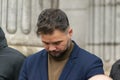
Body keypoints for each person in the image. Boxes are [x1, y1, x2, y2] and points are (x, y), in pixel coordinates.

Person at [18, 8, 106, 80]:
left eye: (57, 43)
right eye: (46, 43)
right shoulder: (30, 63)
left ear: (70, 33)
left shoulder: (90, 63)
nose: (51, 48)